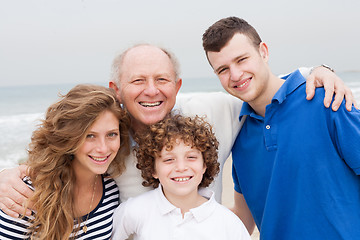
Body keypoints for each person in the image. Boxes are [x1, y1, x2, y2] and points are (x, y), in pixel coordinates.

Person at [0, 44, 356, 218]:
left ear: (178, 84)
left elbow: (265, 93)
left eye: (162, 80)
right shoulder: (105, 142)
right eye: (138, 81)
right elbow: (57, 156)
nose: (151, 91)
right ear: (116, 88)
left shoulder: (214, 112)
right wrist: (8, 173)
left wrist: (316, 70)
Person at [202, 16, 360, 239]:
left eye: (242, 60)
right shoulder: (239, 135)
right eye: (223, 70)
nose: (235, 75)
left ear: (263, 52)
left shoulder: (325, 100)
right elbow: (243, 220)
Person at [0, 84, 130, 239]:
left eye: (111, 134)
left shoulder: (112, 189)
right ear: (69, 137)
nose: (103, 148)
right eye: (90, 136)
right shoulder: (24, 194)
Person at [112, 114, 251, 240]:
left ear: (204, 165)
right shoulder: (135, 210)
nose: (181, 167)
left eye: (191, 157)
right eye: (168, 160)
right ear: (153, 169)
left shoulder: (227, 222)